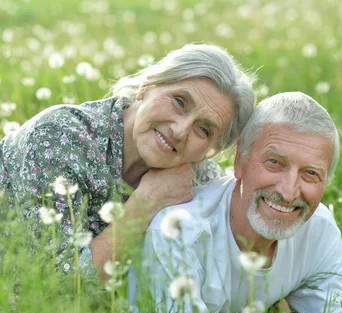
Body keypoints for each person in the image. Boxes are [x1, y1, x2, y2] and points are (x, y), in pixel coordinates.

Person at [129, 92, 342, 313]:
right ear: (239, 162)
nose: (289, 193)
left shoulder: (320, 230)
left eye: (311, 173)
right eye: (274, 163)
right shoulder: (178, 234)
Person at [0, 44, 255, 280]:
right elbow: (57, 284)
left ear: (209, 151)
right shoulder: (61, 136)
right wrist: (145, 205)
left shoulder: (198, 181)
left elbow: (236, 262)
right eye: (179, 102)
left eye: (203, 130)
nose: (180, 130)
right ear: (146, 86)